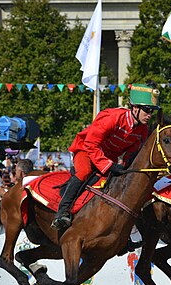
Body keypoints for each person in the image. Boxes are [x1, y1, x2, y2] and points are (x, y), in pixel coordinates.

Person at [51, 83, 161, 230]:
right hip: (86, 150)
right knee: (84, 172)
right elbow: (90, 144)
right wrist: (108, 165)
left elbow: (131, 152)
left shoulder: (143, 129)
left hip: (108, 158)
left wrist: (126, 169)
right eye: (146, 110)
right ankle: (62, 212)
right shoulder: (112, 118)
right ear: (134, 107)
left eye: (152, 111)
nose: (149, 115)